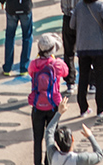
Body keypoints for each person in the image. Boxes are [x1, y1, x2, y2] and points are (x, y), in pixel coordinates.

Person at [69, 0, 103, 118]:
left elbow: (72, 25)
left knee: (83, 78)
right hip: (99, 47)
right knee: (100, 79)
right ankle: (101, 108)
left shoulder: (79, 6)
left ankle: (83, 108)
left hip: (82, 47)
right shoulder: (101, 6)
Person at [29, 33, 68, 165]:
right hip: (53, 106)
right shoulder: (57, 64)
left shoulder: (34, 64)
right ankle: (48, 162)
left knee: (37, 139)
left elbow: (31, 73)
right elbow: (66, 72)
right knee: (50, 138)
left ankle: (37, 163)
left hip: (37, 104)